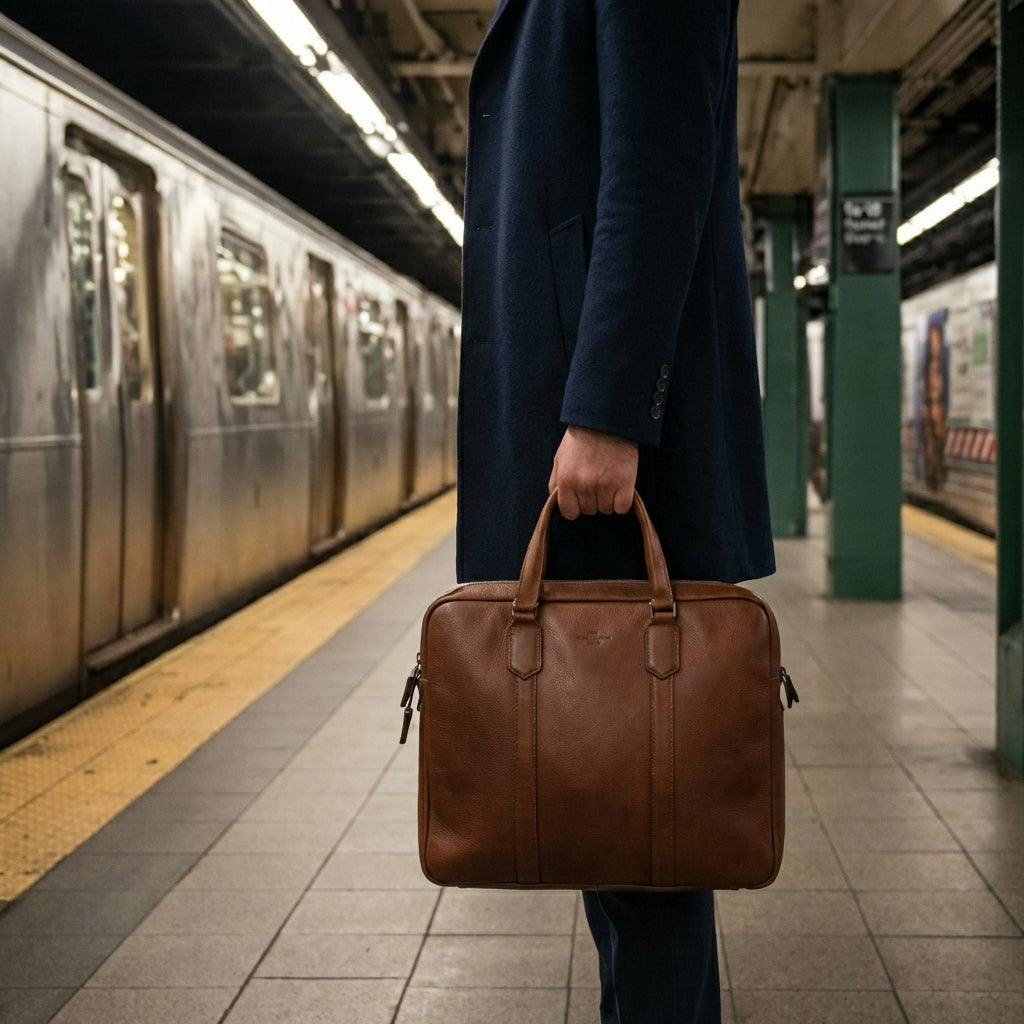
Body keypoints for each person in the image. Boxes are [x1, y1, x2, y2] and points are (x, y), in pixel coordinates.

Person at [457, 1, 775, 1021]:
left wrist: (606, 409)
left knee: (644, 841)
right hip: (587, 430)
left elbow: (656, 165)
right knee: (628, 828)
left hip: (610, 445)